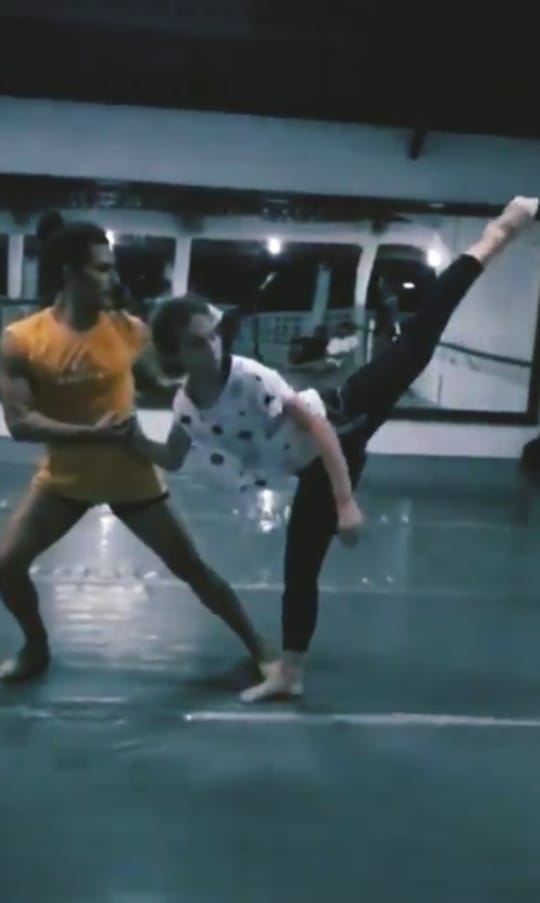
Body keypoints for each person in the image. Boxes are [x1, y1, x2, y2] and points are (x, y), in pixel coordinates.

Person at [122, 196, 539, 700]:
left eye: (213, 335)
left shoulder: (249, 376)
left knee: (422, 333)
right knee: (300, 568)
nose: (212, 346)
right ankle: (290, 673)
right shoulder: (187, 407)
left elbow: (320, 428)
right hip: (312, 468)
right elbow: (172, 456)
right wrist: (132, 441)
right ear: (175, 353)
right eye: (197, 342)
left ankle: (499, 232)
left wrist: (345, 503)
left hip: (345, 418)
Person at [0, 220, 271, 683]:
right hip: (64, 481)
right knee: (6, 567)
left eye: (111, 267)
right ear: (69, 273)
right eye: (101, 268)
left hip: (130, 476)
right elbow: (21, 423)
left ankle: (262, 649)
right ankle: (36, 647)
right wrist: (91, 434)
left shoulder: (130, 331)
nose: (113, 277)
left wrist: (215, 380)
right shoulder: (22, 340)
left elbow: (163, 385)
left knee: (191, 567)